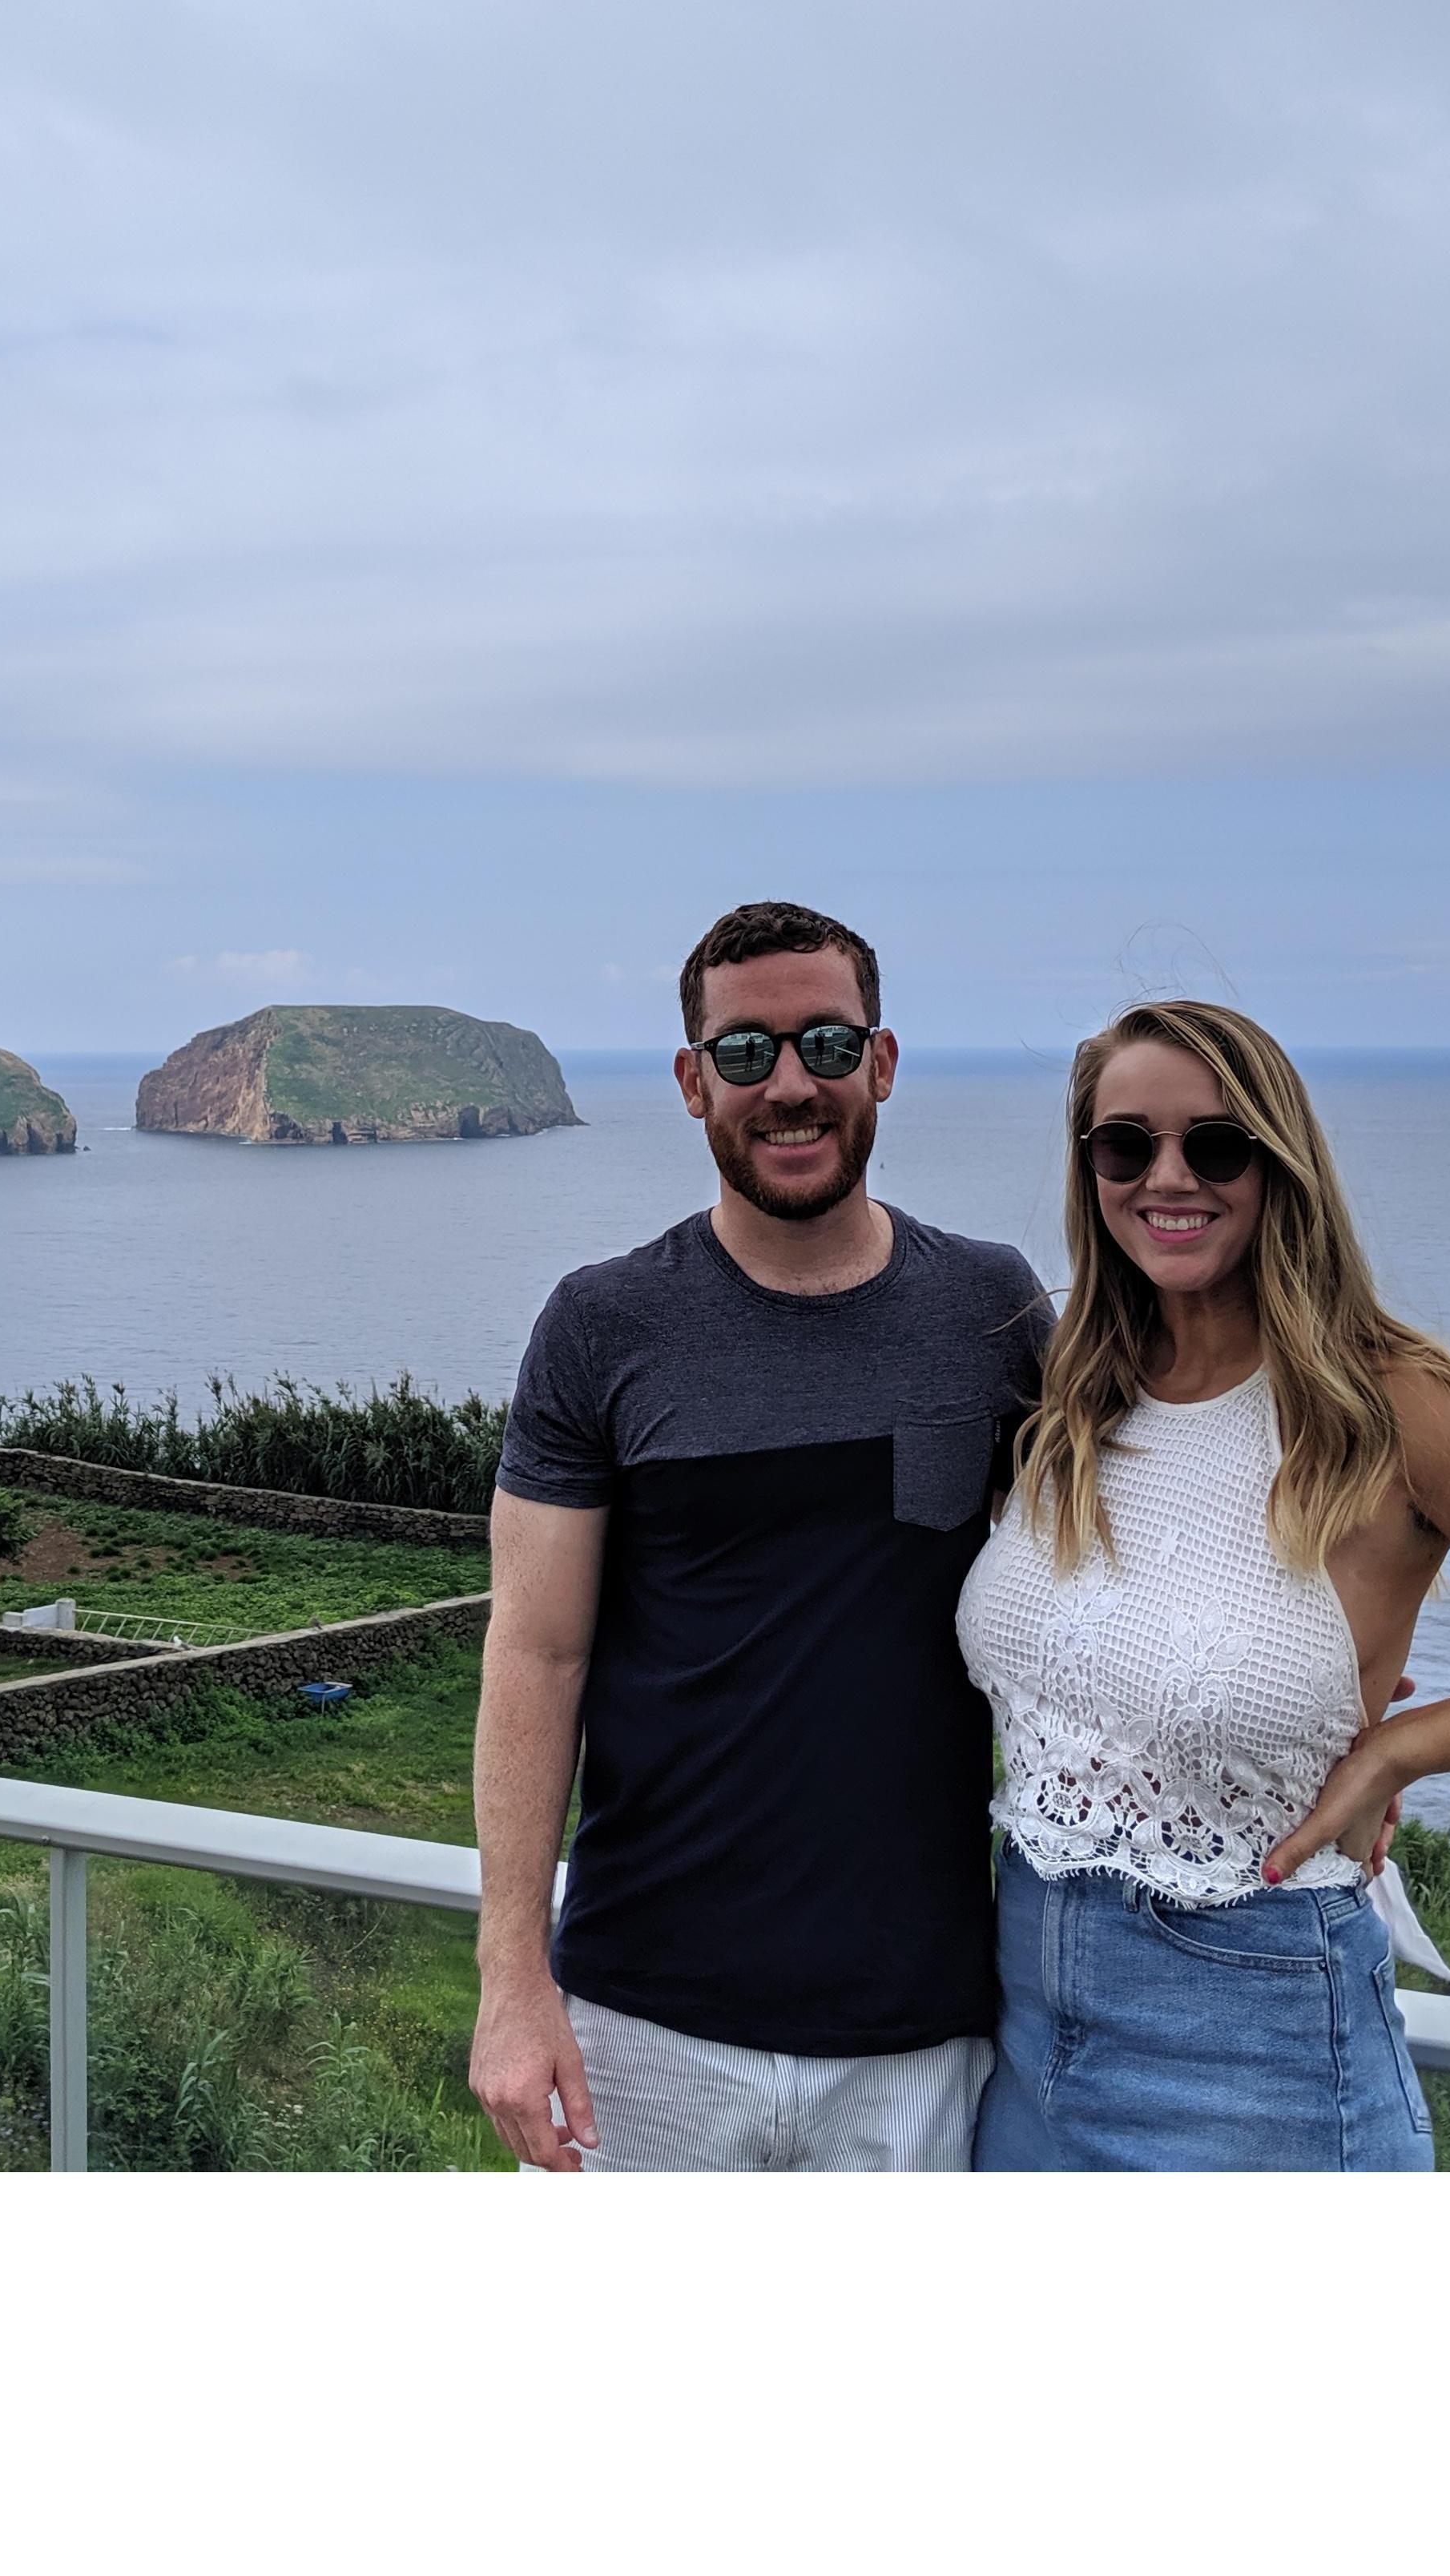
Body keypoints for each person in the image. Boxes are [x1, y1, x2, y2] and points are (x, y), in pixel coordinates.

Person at [960, 998, 1450, 2171]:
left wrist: (1402, 1748)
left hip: (1259, 2029)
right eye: (1125, 1144)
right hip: (1027, 2012)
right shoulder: (1076, 1384)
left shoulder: (1392, 1404)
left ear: (1280, 1165)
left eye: (1216, 1145)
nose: (1166, 1176)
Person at [470, 900, 1050, 2170]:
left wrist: (1336, 1681)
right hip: (640, 2019)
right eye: (746, 1055)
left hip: (918, 2030)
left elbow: (1115, 1554)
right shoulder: (601, 1326)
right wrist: (513, 1981)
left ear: (881, 1064)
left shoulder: (992, 1311)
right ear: (693, 1083)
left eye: (827, 1046)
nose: (790, 1087)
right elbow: (535, 1654)